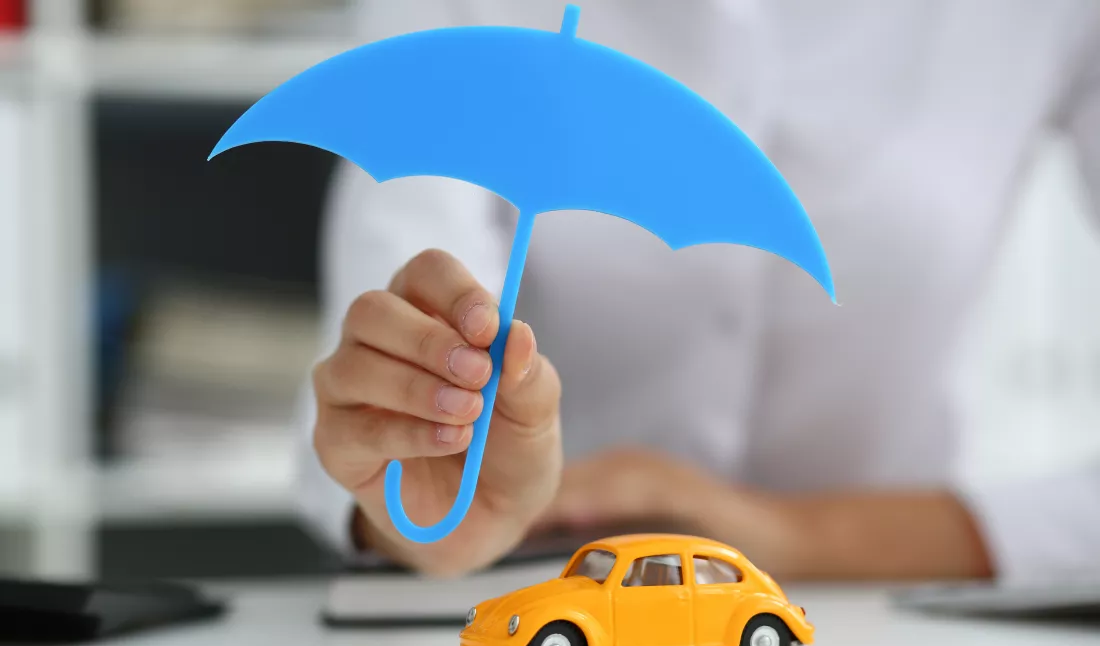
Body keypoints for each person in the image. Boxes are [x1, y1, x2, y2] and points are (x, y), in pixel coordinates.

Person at [297, 0, 1100, 581]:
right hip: (514, 605)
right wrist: (420, 467)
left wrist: (795, 538)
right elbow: (378, 345)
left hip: (911, 642)